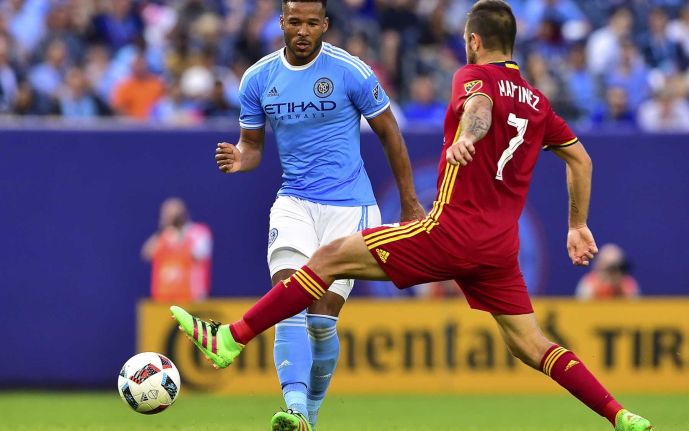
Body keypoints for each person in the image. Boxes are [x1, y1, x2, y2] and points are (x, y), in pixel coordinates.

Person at [171, 2, 653, 430]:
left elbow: (480, 108)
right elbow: (581, 161)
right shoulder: (540, 103)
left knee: (327, 259)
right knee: (532, 344)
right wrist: (577, 223)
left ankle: (231, 339)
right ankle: (619, 415)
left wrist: (470, 134)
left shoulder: (473, 77)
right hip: (499, 249)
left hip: (450, 231)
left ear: (473, 41)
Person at [209, 1, 424, 430]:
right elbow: (252, 146)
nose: (303, 31)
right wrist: (240, 157)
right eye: (294, 22)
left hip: (350, 208)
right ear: (282, 23)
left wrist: (410, 202)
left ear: (325, 24)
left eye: (312, 23)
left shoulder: (351, 71)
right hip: (294, 202)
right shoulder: (258, 79)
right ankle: (295, 409)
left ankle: (311, 412)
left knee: (322, 323)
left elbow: (389, 133)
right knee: (289, 300)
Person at [141, 197, 212, 303]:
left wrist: (179, 237)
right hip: (164, 298)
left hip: (191, 297)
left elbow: (199, 255)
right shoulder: (164, 236)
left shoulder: (198, 232)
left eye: (173, 214)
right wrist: (162, 232)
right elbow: (147, 254)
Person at [575, 243, 640, 300]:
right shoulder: (588, 285)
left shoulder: (628, 285)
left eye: (617, 268)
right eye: (610, 269)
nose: (614, 273)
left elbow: (634, 309)